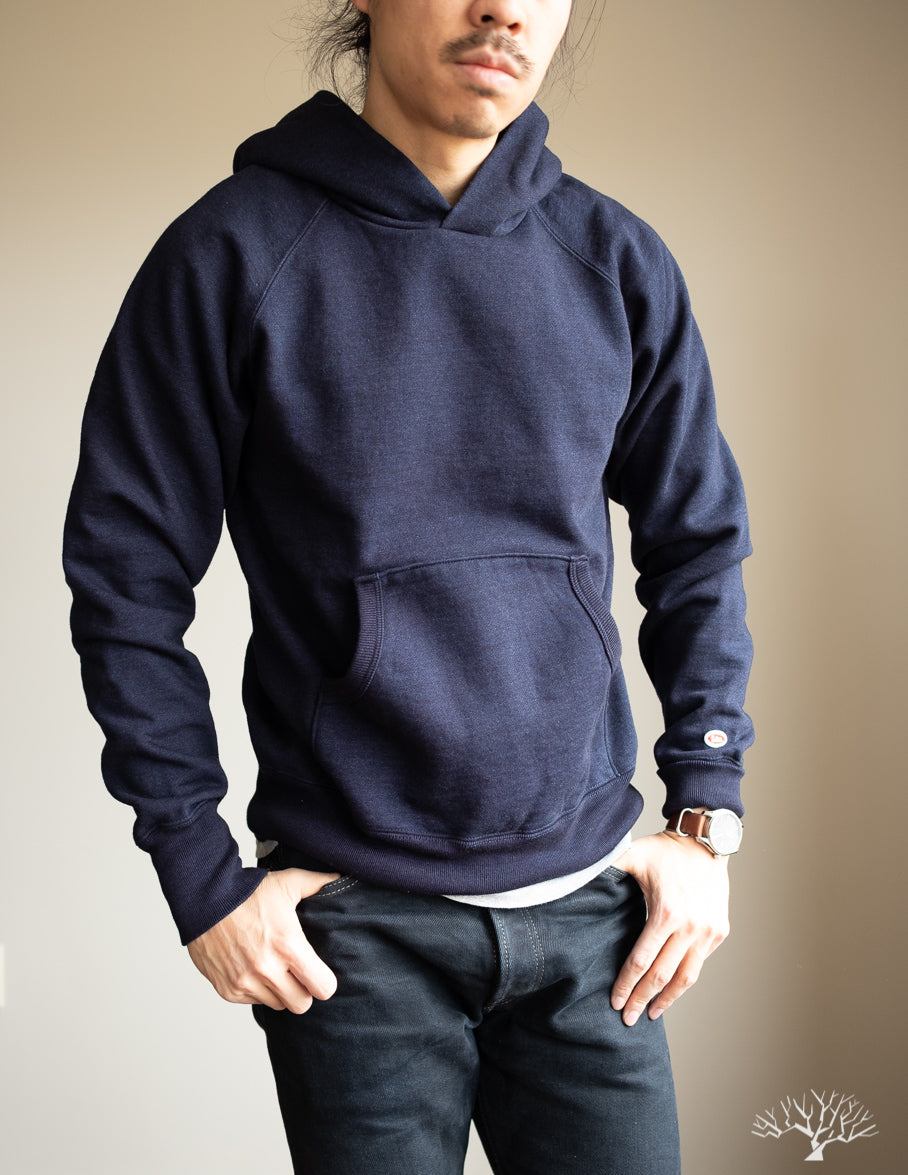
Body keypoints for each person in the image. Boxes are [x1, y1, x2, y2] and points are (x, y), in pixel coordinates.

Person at [64, 0, 753, 1171]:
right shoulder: (232, 253)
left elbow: (697, 542)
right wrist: (196, 867)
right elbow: (126, 573)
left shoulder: (614, 258)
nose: (502, 9)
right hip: (356, 932)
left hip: (596, 918)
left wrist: (706, 810)